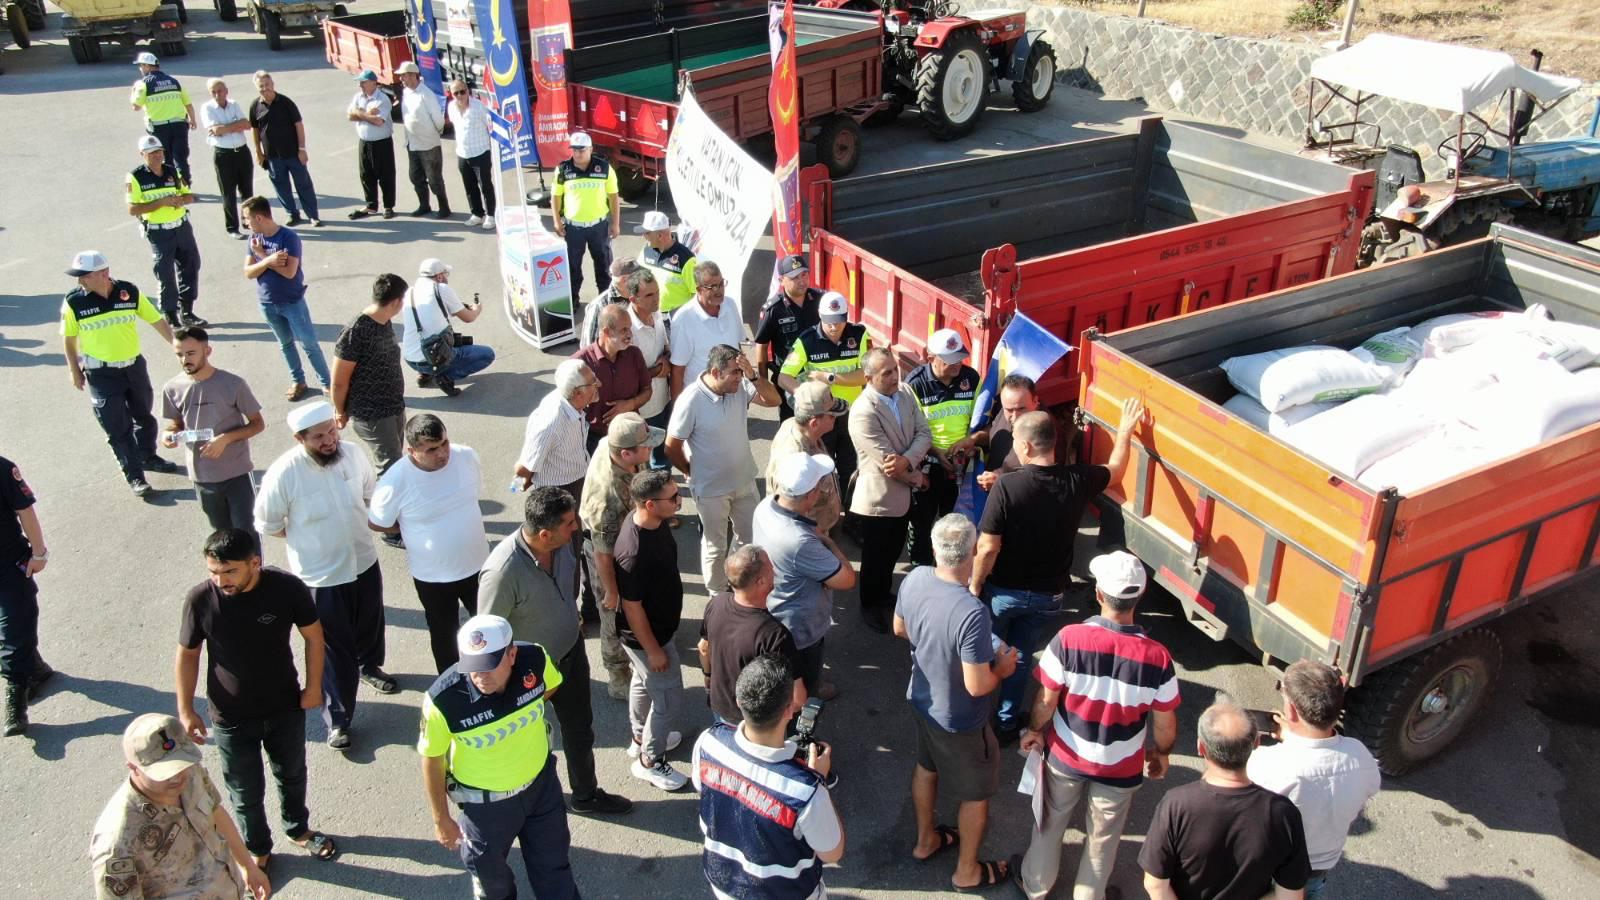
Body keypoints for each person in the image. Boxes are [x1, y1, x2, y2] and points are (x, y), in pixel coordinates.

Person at [969, 404, 1143, 740]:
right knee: (1020, 657)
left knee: (985, 651)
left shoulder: (1007, 487)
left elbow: (988, 547)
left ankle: (974, 720)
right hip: (1048, 596)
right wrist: (1125, 431)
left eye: (1016, 442)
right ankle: (1006, 723)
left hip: (1003, 591)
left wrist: (975, 586)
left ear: (1026, 446)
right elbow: (1117, 470)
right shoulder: (1077, 479)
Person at [1016, 550, 1181, 900]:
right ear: (1139, 596)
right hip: (1121, 766)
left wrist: (1033, 731)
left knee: (1049, 821)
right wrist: (1161, 753)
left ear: (1099, 594)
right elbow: (1165, 723)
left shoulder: (1069, 639)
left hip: (1066, 755)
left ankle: (1035, 886)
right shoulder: (1159, 658)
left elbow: (1046, 701)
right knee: (1103, 839)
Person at [176, 528, 338, 869]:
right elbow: (188, 655)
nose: (220, 580)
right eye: (213, 572)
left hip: (284, 707)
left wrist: (313, 688)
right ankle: (257, 848)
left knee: (292, 775)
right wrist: (186, 710)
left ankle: (298, 829)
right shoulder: (200, 600)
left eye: (229, 571)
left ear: (255, 563)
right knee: (244, 791)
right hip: (231, 717)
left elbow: (313, 636)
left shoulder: (286, 588)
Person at [478, 487, 633, 816]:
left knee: (579, 730)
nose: (576, 528)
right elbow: (488, 637)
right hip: (526, 673)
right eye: (569, 524)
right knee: (527, 740)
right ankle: (524, 802)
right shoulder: (502, 573)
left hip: (570, 654)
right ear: (544, 534)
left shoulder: (563, 545)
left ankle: (585, 795)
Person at [254, 401, 392, 752]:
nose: (330, 440)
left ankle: (370, 667)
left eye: (332, 431)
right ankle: (339, 720)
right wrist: (309, 541)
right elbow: (269, 524)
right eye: (319, 437)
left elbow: (370, 494)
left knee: (370, 623)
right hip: (321, 576)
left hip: (363, 560)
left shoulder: (352, 454)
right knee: (333, 649)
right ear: (300, 439)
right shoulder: (284, 474)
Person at [894, 514, 1018, 891]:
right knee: (977, 795)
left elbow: (899, 628)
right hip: (959, 719)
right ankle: (967, 872)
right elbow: (977, 685)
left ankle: (926, 840)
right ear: (972, 553)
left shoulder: (915, 578)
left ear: (935, 550)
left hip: (921, 700)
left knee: (926, 767)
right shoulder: (971, 612)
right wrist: (1002, 669)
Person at [419, 615, 579, 900]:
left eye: (489, 664)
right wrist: (441, 819)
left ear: (512, 654)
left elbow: (551, 685)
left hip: (541, 789)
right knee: (493, 883)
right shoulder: (443, 700)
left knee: (554, 868)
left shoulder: (535, 659)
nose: (480, 675)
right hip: (485, 809)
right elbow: (432, 759)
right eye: (472, 666)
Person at [692, 655, 844, 898]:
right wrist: (819, 779)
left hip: (723, 885)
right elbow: (832, 852)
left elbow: (705, 789)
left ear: (739, 701)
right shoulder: (805, 790)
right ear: (789, 710)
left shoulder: (708, 742)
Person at [1140, 699, 1312, 900]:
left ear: (1201, 748)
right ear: (1256, 744)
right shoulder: (1283, 813)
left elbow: (1155, 885)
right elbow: (1290, 896)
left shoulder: (1176, 804)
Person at [90, 713, 271, 900]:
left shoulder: (188, 771)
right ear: (134, 768)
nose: (176, 777)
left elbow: (215, 811)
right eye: (164, 772)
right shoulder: (117, 843)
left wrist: (248, 866)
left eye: (179, 764)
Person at [1247, 661, 1382, 900]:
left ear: (1290, 711)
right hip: (1320, 867)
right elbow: (1370, 788)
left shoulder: (1265, 763)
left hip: (1275, 866)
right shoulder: (1360, 754)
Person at [368, 415, 489, 674]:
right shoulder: (395, 481)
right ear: (411, 451)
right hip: (433, 577)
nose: (443, 453)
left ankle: (492, 677)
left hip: (478, 565)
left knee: (488, 625)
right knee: (444, 633)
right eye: (432, 449)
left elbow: (473, 495)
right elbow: (377, 522)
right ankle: (451, 682)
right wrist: (410, 528)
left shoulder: (466, 457)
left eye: (444, 443)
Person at [60, 250, 179, 498]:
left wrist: (177, 347)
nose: (80, 280)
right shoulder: (74, 302)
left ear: (104, 273)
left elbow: (156, 320)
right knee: (117, 427)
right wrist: (74, 370)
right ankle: (135, 476)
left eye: (85, 275)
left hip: (134, 367)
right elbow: (69, 339)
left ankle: (147, 455)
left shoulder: (128, 292)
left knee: (143, 415)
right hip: (100, 373)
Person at [665, 344, 782, 591]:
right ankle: (717, 595)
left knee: (749, 539)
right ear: (715, 373)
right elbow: (671, 447)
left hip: (744, 481)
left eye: (741, 372)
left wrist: (753, 376)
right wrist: (690, 470)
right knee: (715, 547)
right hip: (710, 489)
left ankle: (738, 582)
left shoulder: (740, 387)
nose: (739, 378)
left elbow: (774, 400)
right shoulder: (691, 400)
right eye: (735, 373)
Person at [752, 453, 855, 700]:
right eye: (819, 485)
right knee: (802, 672)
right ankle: (808, 697)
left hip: (775, 607)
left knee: (784, 667)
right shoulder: (800, 541)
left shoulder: (765, 506)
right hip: (800, 624)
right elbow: (847, 579)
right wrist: (829, 544)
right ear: (811, 495)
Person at [614, 468, 690, 791]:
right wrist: (654, 650)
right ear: (649, 504)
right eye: (672, 498)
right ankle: (650, 759)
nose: (679, 501)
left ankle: (639, 736)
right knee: (668, 699)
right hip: (649, 638)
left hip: (658, 631)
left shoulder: (652, 522)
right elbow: (632, 607)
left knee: (643, 683)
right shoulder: (633, 552)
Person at [579, 413, 663, 700]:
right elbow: (603, 555)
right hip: (608, 551)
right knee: (612, 615)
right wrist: (612, 592)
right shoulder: (608, 497)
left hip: (628, 537)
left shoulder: (614, 444)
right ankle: (618, 676)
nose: (651, 448)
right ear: (626, 453)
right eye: (646, 445)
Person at [848, 347, 931, 634]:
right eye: (887, 373)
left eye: (895, 369)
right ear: (869, 378)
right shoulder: (862, 412)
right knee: (875, 556)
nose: (895, 376)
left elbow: (924, 433)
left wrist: (907, 460)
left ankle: (883, 595)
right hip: (879, 499)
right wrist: (918, 478)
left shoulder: (905, 392)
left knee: (893, 550)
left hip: (902, 496)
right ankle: (869, 604)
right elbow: (888, 464)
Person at [513, 360, 602, 617]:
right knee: (566, 557)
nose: (598, 384)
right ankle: (568, 614)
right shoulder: (551, 420)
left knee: (584, 546)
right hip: (558, 495)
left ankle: (589, 605)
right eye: (593, 382)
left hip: (578, 482)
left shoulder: (573, 405)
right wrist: (520, 491)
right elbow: (524, 469)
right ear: (577, 392)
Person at [160, 327, 266, 536]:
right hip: (202, 477)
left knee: (247, 535)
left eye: (191, 353)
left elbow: (257, 423)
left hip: (237, 473)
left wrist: (225, 439)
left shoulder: (233, 384)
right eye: (179, 354)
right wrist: (168, 435)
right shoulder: (172, 388)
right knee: (221, 536)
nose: (185, 360)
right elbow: (176, 425)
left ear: (207, 351)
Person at [779, 291, 866, 515]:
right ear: (819, 316)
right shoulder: (807, 341)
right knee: (821, 467)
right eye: (829, 322)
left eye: (839, 321)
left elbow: (865, 374)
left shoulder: (859, 335)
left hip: (850, 414)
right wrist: (806, 396)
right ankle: (823, 514)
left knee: (849, 466)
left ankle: (849, 515)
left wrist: (830, 378)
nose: (834, 327)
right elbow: (784, 377)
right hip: (822, 416)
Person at [697, 546, 806, 724]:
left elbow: (703, 648)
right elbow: (798, 698)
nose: (775, 570)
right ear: (761, 582)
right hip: (753, 722)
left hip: (719, 706)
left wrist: (708, 676)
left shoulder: (716, 603)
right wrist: (773, 722)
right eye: (771, 567)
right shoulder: (775, 635)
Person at [243, 195, 332, 401]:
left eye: (247, 218)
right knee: (285, 344)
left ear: (259, 217)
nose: (245, 223)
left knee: (309, 344)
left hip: (292, 302)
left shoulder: (288, 237)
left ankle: (327, 383)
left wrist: (262, 257)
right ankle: (298, 381)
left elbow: (290, 272)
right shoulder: (254, 240)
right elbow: (248, 272)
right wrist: (268, 260)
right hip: (267, 302)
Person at [905, 328, 982, 566]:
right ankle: (920, 568)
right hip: (928, 465)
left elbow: (982, 419)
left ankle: (949, 567)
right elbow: (910, 431)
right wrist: (936, 453)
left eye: (960, 358)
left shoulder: (971, 378)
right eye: (950, 360)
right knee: (922, 520)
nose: (957, 364)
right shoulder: (915, 384)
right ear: (931, 358)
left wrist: (970, 442)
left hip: (962, 464)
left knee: (955, 521)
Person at [333, 274, 409, 477]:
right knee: (391, 469)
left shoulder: (384, 321)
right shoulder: (355, 331)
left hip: (393, 406)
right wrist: (340, 412)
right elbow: (339, 382)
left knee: (397, 462)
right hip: (373, 414)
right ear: (396, 302)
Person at [128, 134, 205, 328]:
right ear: (142, 154)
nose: (157, 156)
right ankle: (171, 315)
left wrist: (181, 200)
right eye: (151, 153)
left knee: (191, 266)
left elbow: (189, 196)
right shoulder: (136, 177)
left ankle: (187, 311)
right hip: (159, 232)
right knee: (165, 273)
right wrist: (160, 203)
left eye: (159, 152)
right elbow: (133, 209)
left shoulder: (172, 171)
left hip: (182, 227)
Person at [0, 455, 53, 737]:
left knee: (13, 630)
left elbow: (25, 511)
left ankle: (16, 695)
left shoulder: (2, 468)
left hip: (8, 565)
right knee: (14, 631)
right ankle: (35, 668)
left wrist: (39, 552)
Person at [400, 258, 495, 396]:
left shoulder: (409, 292)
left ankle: (425, 374)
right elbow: (469, 317)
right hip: (432, 357)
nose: (447, 278)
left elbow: (429, 314)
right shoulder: (441, 289)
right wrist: (477, 308)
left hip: (411, 359)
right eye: (446, 274)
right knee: (487, 354)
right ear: (439, 276)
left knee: (430, 337)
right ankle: (445, 377)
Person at [765, 382, 846, 535]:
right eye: (831, 415)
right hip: (810, 535)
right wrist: (817, 539)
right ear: (814, 423)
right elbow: (789, 512)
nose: (835, 418)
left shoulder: (797, 426)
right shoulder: (794, 460)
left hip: (819, 527)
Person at [574, 305, 651, 454]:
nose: (630, 334)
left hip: (631, 435)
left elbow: (647, 390)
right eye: (624, 330)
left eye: (630, 328)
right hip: (593, 441)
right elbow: (568, 406)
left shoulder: (634, 354)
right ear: (606, 332)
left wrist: (630, 404)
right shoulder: (580, 363)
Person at [552, 131, 620, 299]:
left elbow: (613, 197)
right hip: (574, 229)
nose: (577, 154)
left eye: (581, 150)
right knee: (573, 267)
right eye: (574, 150)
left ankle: (606, 300)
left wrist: (615, 223)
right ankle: (573, 299)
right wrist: (556, 221)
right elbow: (556, 196)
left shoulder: (604, 168)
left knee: (604, 267)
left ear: (590, 149)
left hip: (599, 227)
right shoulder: (562, 169)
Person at [249, 70, 321, 227]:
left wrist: (302, 149)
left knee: (304, 185)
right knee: (281, 187)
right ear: (257, 87)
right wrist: (258, 152)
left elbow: (298, 125)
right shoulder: (255, 106)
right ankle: (292, 214)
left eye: (267, 84)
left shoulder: (286, 102)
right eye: (261, 86)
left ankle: (313, 216)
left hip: (294, 154)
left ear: (273, 84)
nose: (265, 88)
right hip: (272, 157)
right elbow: (255, 130)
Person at [754, 254, 821, 421]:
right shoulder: (773, 310)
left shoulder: (820, 300)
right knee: (792, 424)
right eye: (794, 277)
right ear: (781, 280)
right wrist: (763, 382)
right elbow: (761, 345)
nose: (801, 281)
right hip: (788, 379)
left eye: (804, 275)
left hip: (818, 377)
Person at [669, 262, 745, 397]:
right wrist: (677, 407)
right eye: (713, 287)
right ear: (699, 289)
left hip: (733, 394)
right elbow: (678, 370)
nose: (719, 291)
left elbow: (741, 346)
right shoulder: (684, 319)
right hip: (701, 399)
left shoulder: (731, 305)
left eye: (721, 284)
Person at [624, 268, 672, 469]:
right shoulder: (627, 329)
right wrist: (657, 370)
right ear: (633, 299)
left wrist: (666, 359)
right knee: (646, 466)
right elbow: (626, 374)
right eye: (649, 295)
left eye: (657, 292)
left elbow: (666, 348)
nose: (656, 298)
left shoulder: (657, 314)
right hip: (644, 409)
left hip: (664, 400)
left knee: (663, 456)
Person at [199, 78, 255, 239]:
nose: (217, 95)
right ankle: (232, 227)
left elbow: (246, 124)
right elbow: (216, 130)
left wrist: (225, 128)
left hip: (242, 152)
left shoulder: (234, 104)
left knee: (247, 190)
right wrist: (234, 126)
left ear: (226, 91)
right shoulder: (207, 108)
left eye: (220, 91)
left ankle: (249, 222)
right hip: (223, 155)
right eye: (213, 92)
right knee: (228, 193)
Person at [129, 52, 196, 184]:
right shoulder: (174, 81)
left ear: (147, 66)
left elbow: (136, 106)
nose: (140, 69)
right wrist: (193, 120)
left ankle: (171, 186)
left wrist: (133, 92)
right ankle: (185, 185)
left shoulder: (143, 84)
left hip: (159, 128)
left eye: (141, 66)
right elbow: (188, 104)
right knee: (181, 158)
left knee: (165, 159)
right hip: (179, 125)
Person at [395, 61, 450, 218]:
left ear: (413, 75)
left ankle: (444, 207)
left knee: (434, 179)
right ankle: (424, 205)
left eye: (404, 76)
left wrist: (436, 132)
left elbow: (438, 119)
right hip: (412, 144)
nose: (401, 79)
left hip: (428, 145)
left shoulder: (426, 94)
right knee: (415, 177)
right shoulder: (406, 92)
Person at [445, 80, 496, 228]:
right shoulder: (451, 107)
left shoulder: (478, 107)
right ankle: (477, 214)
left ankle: (491, 215)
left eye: (463, 91)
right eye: (456, 93)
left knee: (485, 186)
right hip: (462, 153)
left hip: (480, 152)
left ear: (468, 91)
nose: (460, 95)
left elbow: (490, 127)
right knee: (469, 186)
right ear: (452, 94)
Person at [346, 70, 397, 219]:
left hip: (381, 143)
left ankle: (388, 206)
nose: (360, 85)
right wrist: (367, 114)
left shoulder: (382, 99)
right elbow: (349, 115)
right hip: (364, 142)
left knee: (386, 175)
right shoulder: (358, 97)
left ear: (374, 83)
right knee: (366, 174)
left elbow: (378, 121)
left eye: (363, 82)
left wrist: (360, 113)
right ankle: (371, 205)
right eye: (360, 82)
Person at [975, 374, 1038, 492]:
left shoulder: (1045, 434)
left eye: (1021, 409)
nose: (1015, 417)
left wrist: (1001, 481)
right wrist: (974, 439)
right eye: (1009, 410)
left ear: (1035, 401)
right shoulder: (1007, 410)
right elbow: (994, 429)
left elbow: (1042, 480)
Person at [635, 210, 697, 315]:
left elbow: (697, 293)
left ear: (660, 236)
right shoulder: (646, 250)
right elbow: (637, 279)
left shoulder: (686, 259)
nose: (643, 236)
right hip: (652, 314)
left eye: (647, 233)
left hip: (677, 317)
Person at [578, 257, 639, 348]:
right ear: (625, 280)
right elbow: (589, 347)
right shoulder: (598, 306)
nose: (642, 280)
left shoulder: (640, 296)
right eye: (638, 277)